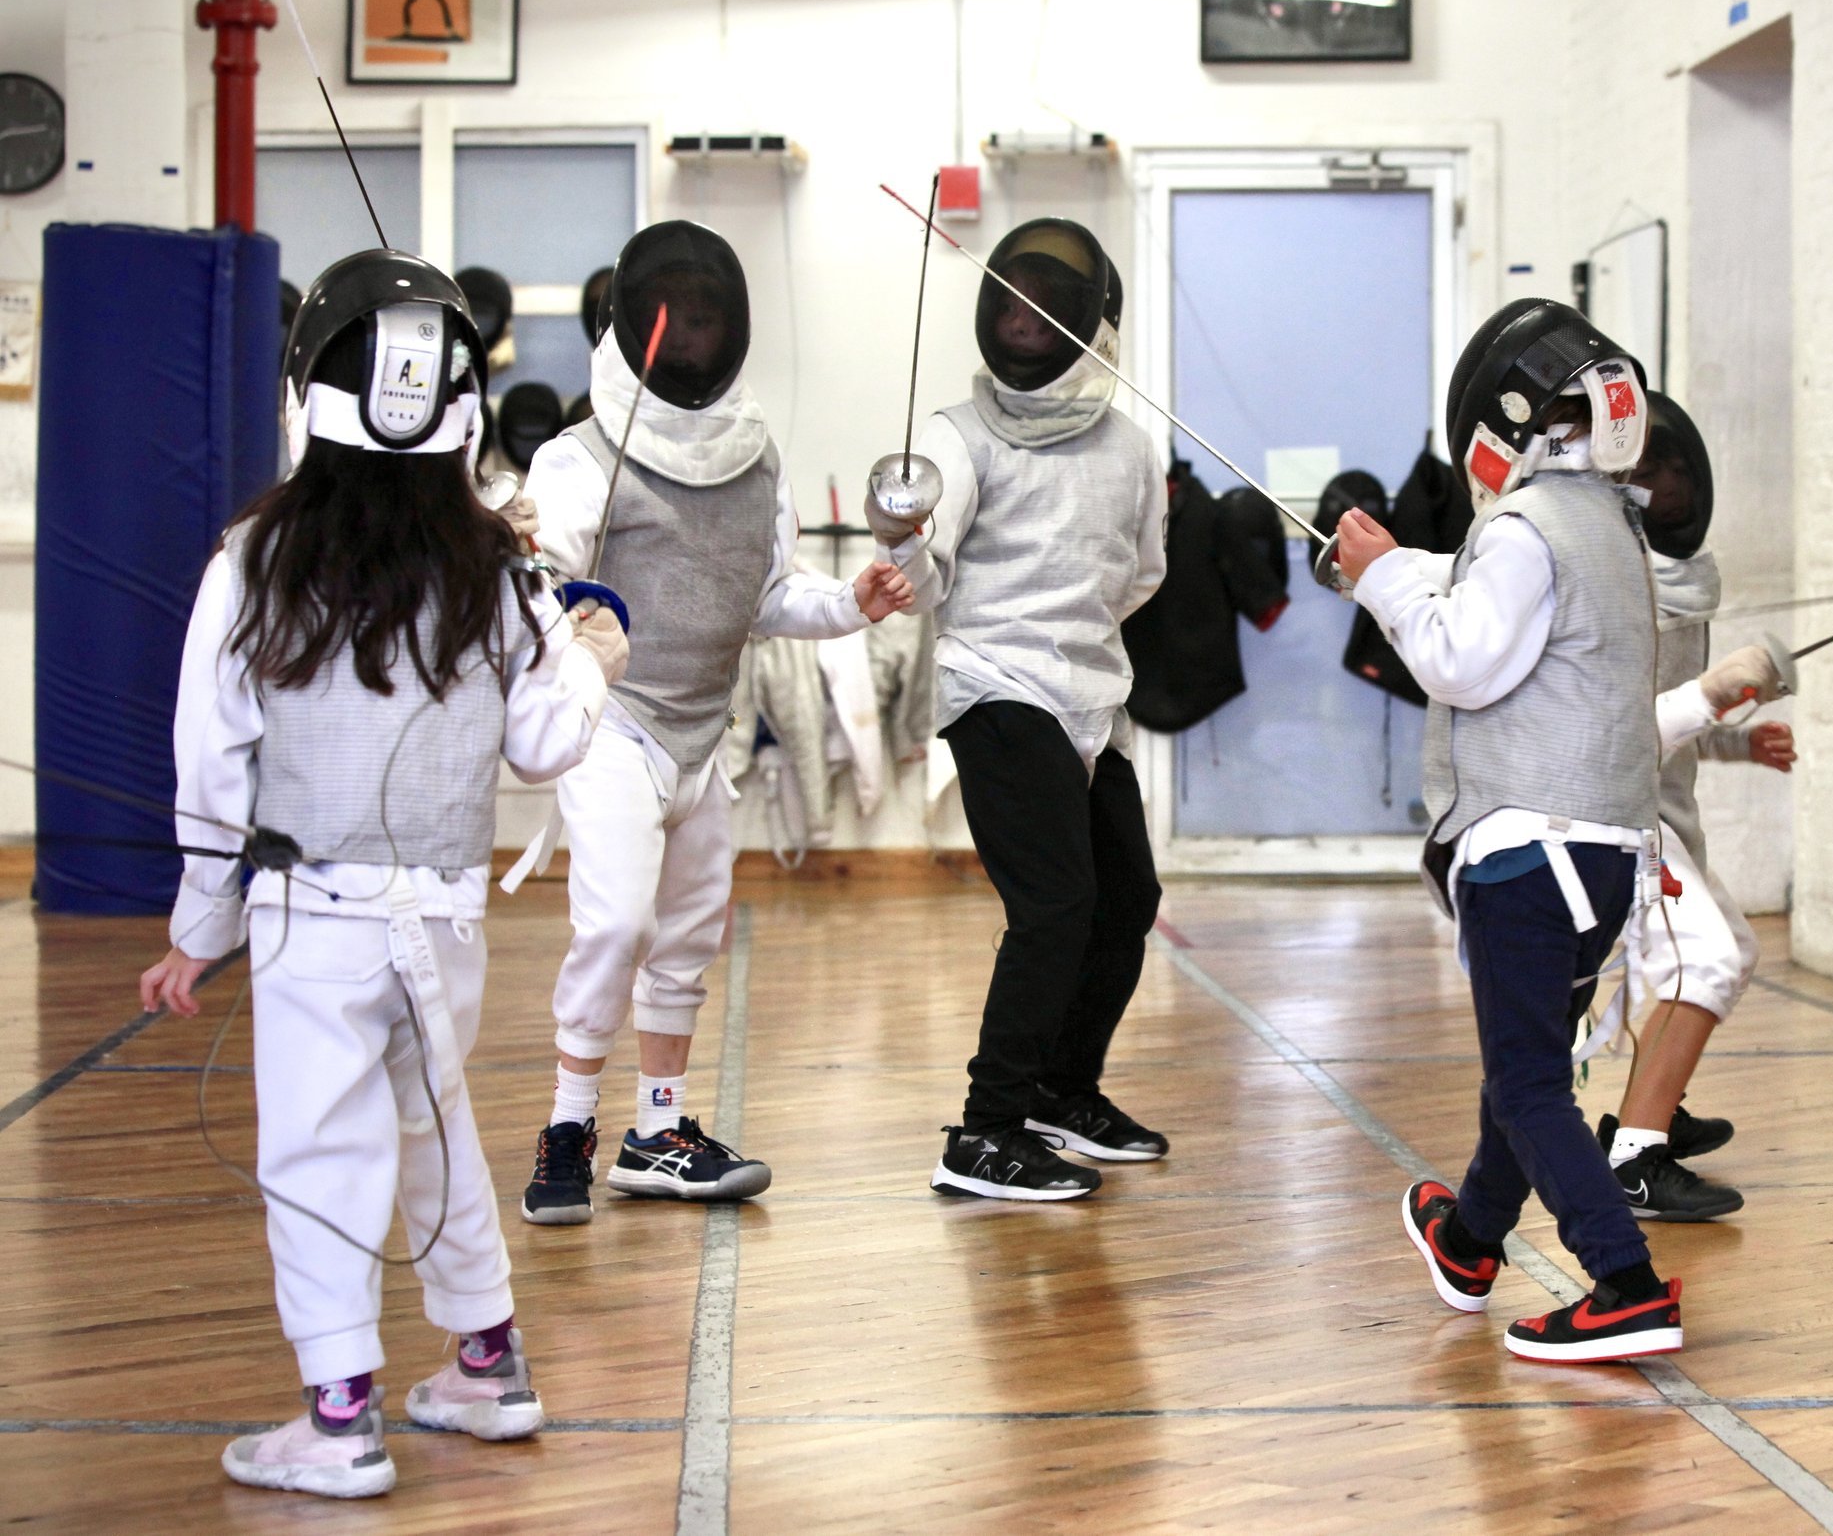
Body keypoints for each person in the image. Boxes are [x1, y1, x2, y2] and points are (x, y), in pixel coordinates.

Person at [140, 251, 626, 1497]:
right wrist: (591, 656)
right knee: (434, 1126)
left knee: (322, 1151)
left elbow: (213, 761)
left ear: (312, 387)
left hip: (311, 921)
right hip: (444, 921)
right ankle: (485, 1362)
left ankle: (340, 1416)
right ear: (458, 404)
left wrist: (199, 926)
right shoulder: (494, 564)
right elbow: (546, 743)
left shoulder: (254, 558)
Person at [1338, 299, 1790, 1363]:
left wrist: (1383, 575)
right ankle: (1468, 1241)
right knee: (1526, 1063)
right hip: (1604, 856)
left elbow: (1458, 660)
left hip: (1527, 853)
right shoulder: (1612, 530)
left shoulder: (1525, 526)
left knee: (1528, 1083)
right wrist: (1403, 570)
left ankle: (1623, 1281)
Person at [519, 220, 912, 1223]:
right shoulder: (579, 458)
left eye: (704, 320)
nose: (689, 337)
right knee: (616, 923)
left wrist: (853, 601)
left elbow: (766, 595)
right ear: (633, 322)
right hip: (615, 724)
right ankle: (567, 1126)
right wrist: (541, 585)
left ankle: (658, 1133)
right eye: (673, 318)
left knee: (690, 934)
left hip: (705, 732)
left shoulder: (754, 455)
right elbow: (537, 585)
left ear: (730, 329)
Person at [875, 218, 1169, 1203]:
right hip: (996, 683)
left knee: (1125, 899)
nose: (1025, 320)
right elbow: (925, 575)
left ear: (1094, 325)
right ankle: (986, 1129)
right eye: (1014, 303)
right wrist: (900, 538)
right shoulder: (954, 437)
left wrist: (1075, 642)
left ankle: (1061, 1091)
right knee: (1053, 904)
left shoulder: (1133, 447)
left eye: (1048, 306)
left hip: (1091, 697)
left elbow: (1142, 572)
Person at [1589, 392, 1794, 1223]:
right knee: (1700, 960)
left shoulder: (1680, 579)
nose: (1669, 486)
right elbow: (1611, 729)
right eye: (1651, 472)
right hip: (1621, 813)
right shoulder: (1611, 583)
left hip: (1666, 810)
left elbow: (1675, 717)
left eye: (1674, 469)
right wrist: (1716, 694)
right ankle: (1636, 1158)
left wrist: (1740, 742)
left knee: (1730, 949)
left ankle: (1653, 1106)